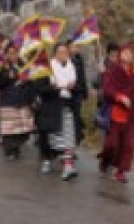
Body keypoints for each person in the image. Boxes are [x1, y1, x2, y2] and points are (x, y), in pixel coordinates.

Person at [98, 43, 134, 183]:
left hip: (132, 115)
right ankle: (105, 161)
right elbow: (108, 89)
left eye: (130, 53)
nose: (127, 55)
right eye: (124, 53)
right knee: (112, 144)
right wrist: (120, 97)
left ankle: (121, 171)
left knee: (129, 145)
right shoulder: (113, 70)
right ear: (120, 55)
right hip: (116, 113)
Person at [0, 43, 34, 160]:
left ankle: (15, 147)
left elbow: (30, 81)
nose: (13, 56)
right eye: (10, 53)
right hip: (8, 100)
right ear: (6, 55)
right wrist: (8, 77)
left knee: (24, 130)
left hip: (22, 100)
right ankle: (10, 150)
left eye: (15, 53)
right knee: (9, 130)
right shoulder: (2, 67)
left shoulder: (24, 65)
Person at [48, 43, 79, 180]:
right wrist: (58, 86)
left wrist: (71, 86)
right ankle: (49, 159)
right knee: (57, 136)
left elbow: (73, 82)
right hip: (54, 103)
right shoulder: (51, 65)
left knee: (69, 134)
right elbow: (53, 83)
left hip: (68, 103)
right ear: (55, 53)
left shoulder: (71, 65)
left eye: (65, 52)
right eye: (60, 52)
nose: (63, 55)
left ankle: (68, 165)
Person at [69, 41, 88, 146]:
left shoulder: (79, 59)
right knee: (69, 119)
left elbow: (82, 77)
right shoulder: (65, 60)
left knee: (76, 117)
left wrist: (85, 92)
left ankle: (75, 141)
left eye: (77, 47)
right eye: (73, 47)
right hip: (67, 94)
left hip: (78, 93)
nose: (76, 49)